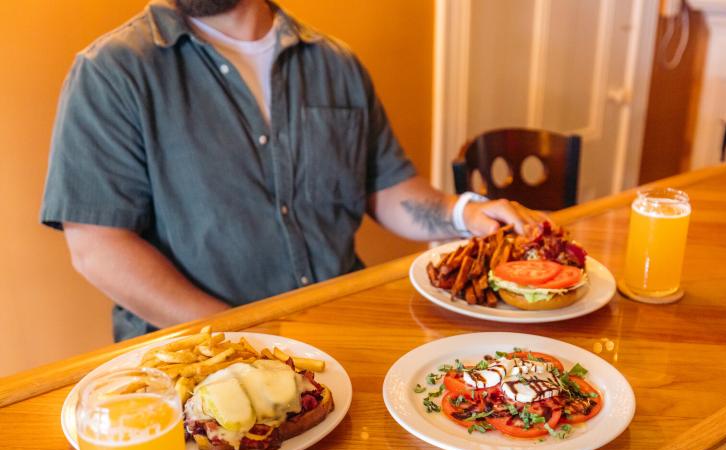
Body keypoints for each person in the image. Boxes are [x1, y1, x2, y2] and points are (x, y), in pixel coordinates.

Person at [40, 0, 544, 341]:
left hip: (341, 329)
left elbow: (387, 188)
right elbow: (97, 247)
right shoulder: (111, 72)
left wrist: (464, 213)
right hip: (201, 356)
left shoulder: (337, 65)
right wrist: (245, 335)